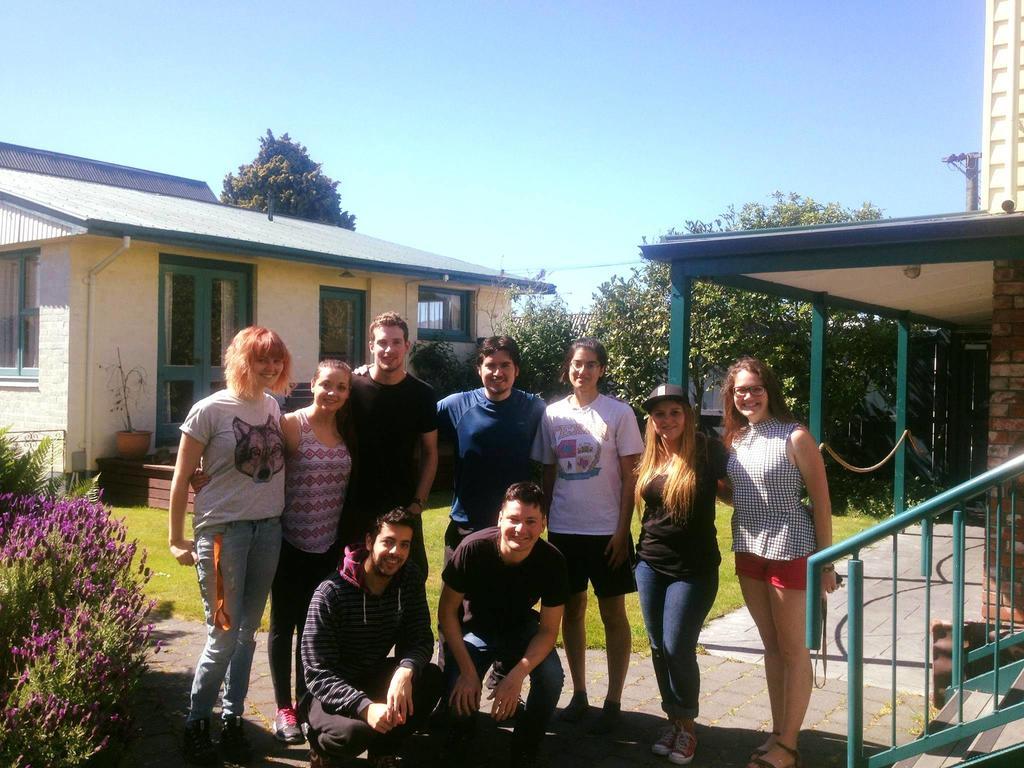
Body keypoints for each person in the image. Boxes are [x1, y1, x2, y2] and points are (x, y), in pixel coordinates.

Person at [167, 326, 292, 765]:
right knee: (222, 633)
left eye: (277, 360)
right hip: (223, 534)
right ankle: (197, 720)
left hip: (268, 531)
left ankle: (233, 719)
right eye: (263, 360)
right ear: (242, 360)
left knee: (247, 636)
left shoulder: (274, 407)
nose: (271, 367)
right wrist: (176, 539)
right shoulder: (210, 410)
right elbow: (183, 478)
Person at [722, 357, 838, 768]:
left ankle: (789, 746)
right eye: (740, 390)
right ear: (731, 397)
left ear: (769, 389)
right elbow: (740, 493)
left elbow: (822, 504)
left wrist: (826, 562)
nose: (748, 396)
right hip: (749, 549)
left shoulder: (795, 436)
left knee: (793, 650)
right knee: (771, 647)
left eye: (755, 388)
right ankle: (777, 733)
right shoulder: (736, 438)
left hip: (792, 548)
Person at [530, 337, 644, 729]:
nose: (583, 371)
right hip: (564, 529)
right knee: (572, 610)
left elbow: (632, 478)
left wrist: (621, 530)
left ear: (602, 369)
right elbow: (548, 470)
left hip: (607, 532)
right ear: (569, 367)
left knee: (614, 613)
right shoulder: (551, 414)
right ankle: (579, 693)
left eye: (591, 364)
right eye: (578, 364)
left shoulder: (619, 413)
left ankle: (613, 701)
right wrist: (543, 519)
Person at [439, 481, 568, 768]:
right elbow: (446, 613)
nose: (521, 530)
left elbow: (548, 630)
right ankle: (460, 738)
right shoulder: (472, 549)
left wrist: (517, 675)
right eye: (513, 519)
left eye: (531, 521)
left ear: (544, 523)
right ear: (500, 518)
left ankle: (525, 747)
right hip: (475, 629)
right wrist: (468, 672)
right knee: (458, 682)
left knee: (551, 676)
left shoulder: (553, 561)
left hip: (521, 629)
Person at [300, 508, 442, 768]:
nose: (395, 552)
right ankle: (320, 747)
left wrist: (405, 670)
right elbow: (317, 673)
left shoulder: (409, 577)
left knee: (430, 678)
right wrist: (365, 707)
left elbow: (420, 637)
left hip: (372, 674)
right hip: (327, 693)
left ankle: (383, 750)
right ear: (369, 542)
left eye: (404, 545)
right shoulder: (331, 593)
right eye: (388, 542)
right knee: (355, 734)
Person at [634, 384, 729, 765]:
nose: (667, 420)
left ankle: (687, 728)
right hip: (649, 564)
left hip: (694, 569)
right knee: (657, 646)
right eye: (660, 414)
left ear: (687, 416)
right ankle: (673, 719)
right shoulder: (651, 455)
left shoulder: (707, 452)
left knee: (677, 646)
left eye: (674, 412)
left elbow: (740, 488)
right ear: (652, 421)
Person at [268, 359, 355, 744]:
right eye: (326, 385)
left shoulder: (348, 430)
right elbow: (256, 466)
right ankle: (282, 708)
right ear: (313, 385)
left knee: (312, 630)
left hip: (328, 546)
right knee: (283, 626)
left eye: (341, 387)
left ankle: (306, 703)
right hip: (288, 543)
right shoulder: (291, 425)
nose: (332, 393)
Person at [436, 335, 546, 563]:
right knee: (455, 598)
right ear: (479, 369)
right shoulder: (456, 405)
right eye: (490, 365)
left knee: (512, 598)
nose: (497, 372)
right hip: (466, 526)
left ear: (516, 369)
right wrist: (369, 375)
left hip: (516, 526)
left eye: (505, 365)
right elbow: (412, 413)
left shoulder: (534, 408)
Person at [343, 312, 437, 577]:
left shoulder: (423, 394)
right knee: (355, 579)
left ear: (407, 346)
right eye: (382, 342)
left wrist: (418, 502)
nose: (389, 349)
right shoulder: (352, 387)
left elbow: (430, 453)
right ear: (371, 346)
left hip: (403, 505)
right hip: (356, 505)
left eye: (396, 342)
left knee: (412, 577)